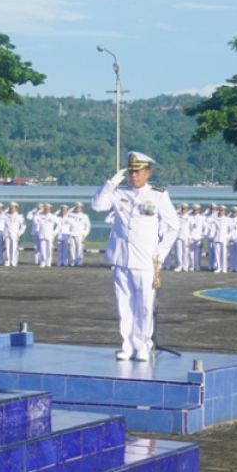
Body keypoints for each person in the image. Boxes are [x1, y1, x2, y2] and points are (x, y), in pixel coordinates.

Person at [91, 151, 179, 361]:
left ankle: (143, 345)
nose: (134, 176)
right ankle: (127, 345)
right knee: (124, 303)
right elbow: (97, 206)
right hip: (121, 258)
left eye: (138, 172)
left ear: (148, 173)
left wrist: (160, 254)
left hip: (146, 259)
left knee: (145, 305)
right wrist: (111, 183)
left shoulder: (158, 195)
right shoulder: (118, 192)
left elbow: (173, 226)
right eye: (131, 172)